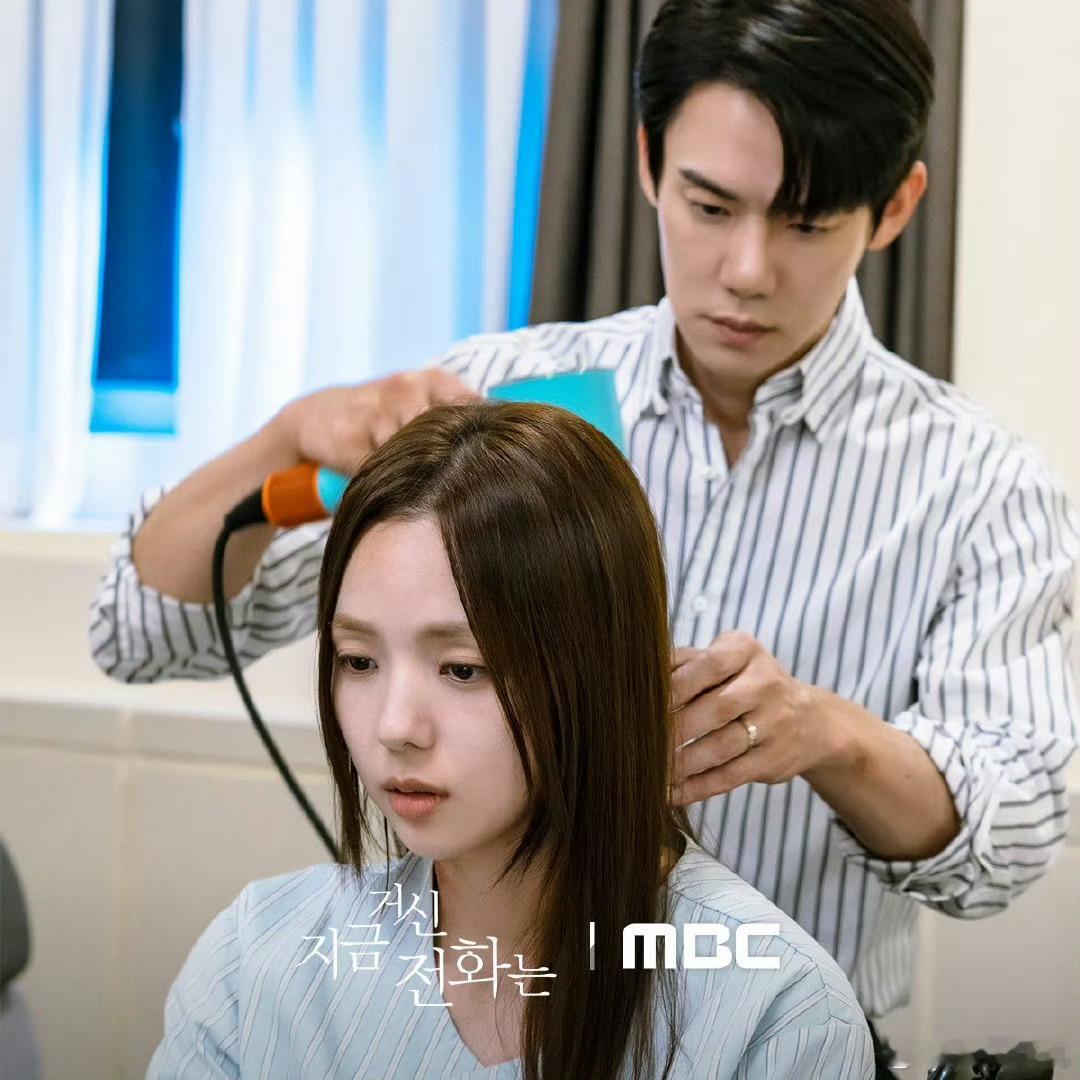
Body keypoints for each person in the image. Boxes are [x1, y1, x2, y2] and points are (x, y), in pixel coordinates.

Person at [94, 1, 1078, 1074]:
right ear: (650, 162)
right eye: (710, 205)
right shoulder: (502, 402)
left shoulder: (982, 488)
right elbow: (142, 634)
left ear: (895, 207)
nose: (747, 268)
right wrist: (283, 436)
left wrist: (829, 737)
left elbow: (1002, 845)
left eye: (805, 223)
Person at [146, 402, 874, 1079]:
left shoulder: (777, 1009)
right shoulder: (258, 960)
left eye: (463, 670)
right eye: (359, 661)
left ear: (600, 669)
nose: (395, 727)